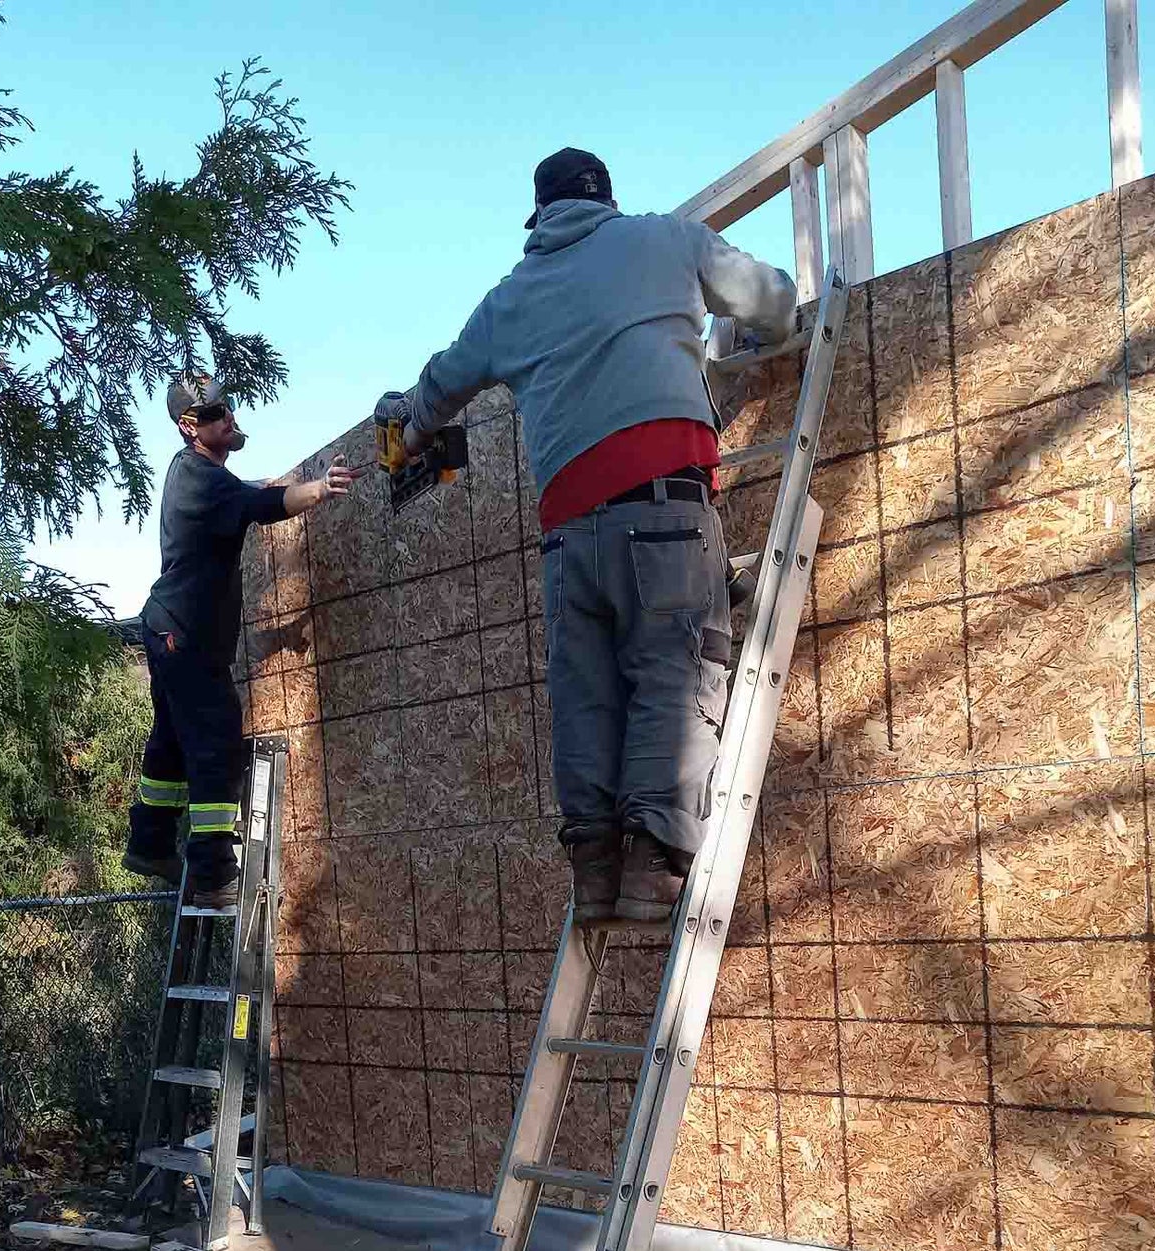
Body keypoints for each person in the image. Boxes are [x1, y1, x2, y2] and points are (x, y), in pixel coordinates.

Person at [390, 148, 797, 923]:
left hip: (568, 537)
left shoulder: (508, 299)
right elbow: (772, 303)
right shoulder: (666, 239)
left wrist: (405, 426)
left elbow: (435, 391)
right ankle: (651, 861)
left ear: (539, 218)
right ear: (605, 200)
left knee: (586, 694)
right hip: (662, 507)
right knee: (674, 670)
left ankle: (594, 867)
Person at [122, 374, 357, 909]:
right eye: (214, 414)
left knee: (172, 738)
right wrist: (319, 487)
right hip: (184, 635)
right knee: (215, 741)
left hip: (170, 632)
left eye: (226, 408)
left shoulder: (200, 477)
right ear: (190, 428)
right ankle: (212, 874)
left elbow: (249, 496)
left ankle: (149, 842)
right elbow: (262, 503)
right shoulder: (200, 477)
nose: (227, 417)